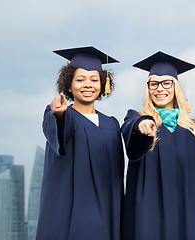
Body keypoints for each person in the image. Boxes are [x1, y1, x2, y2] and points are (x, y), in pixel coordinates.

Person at [120, 51, 195, 240]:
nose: (159, 89)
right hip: (146, 214)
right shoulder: (136, 118)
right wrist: (142, 125)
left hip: (186, 213)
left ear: (176, 87)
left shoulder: (193, 128)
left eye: (166, 83)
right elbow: (129, 130)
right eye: (153, 84)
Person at [37, 46, 124, 240]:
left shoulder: (112, 124)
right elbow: (59, 132)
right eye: (80, 79)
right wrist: (59, 115)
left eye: (94, 80)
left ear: (102, 85)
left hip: (107, 214)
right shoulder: (63, 115)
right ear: (68, 85)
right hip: (71, 215)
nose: (88, 85)